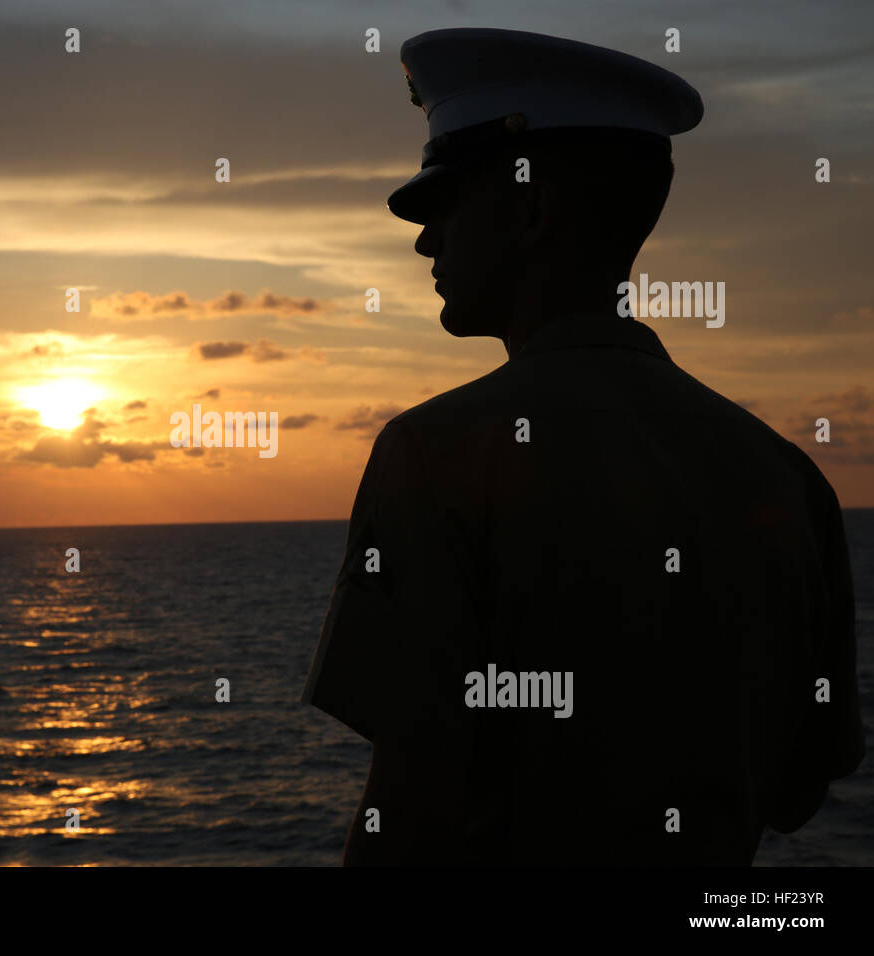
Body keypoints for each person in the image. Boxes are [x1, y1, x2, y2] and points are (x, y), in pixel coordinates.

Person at [300, 28, 865, 865]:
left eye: (445, 202)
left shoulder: (438, 451)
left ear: (529, 208)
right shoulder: (786, 474)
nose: (425, 240)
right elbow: (796, 791)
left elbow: (412, 809)